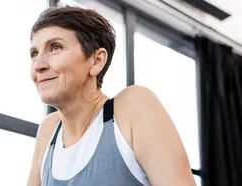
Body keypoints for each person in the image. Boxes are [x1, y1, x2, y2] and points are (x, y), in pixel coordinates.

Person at [26, 6, 196, 186]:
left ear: (97, 60)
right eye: (34, 54)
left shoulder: (132, 107)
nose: (38, 65)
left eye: (55, 47)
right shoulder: (49, 131)